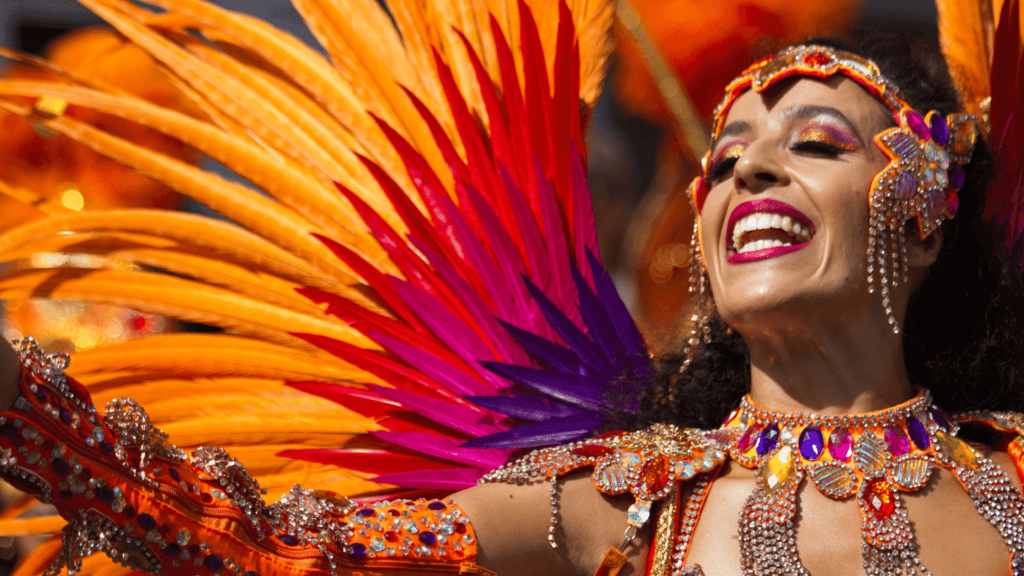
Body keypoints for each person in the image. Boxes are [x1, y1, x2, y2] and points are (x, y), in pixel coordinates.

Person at [0, 1, 1022, 576]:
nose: (746, 172)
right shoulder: (608, 496)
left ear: (925, 213)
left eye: (814, 143)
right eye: (726, 157)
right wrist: (24, 411)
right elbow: (273, 552)